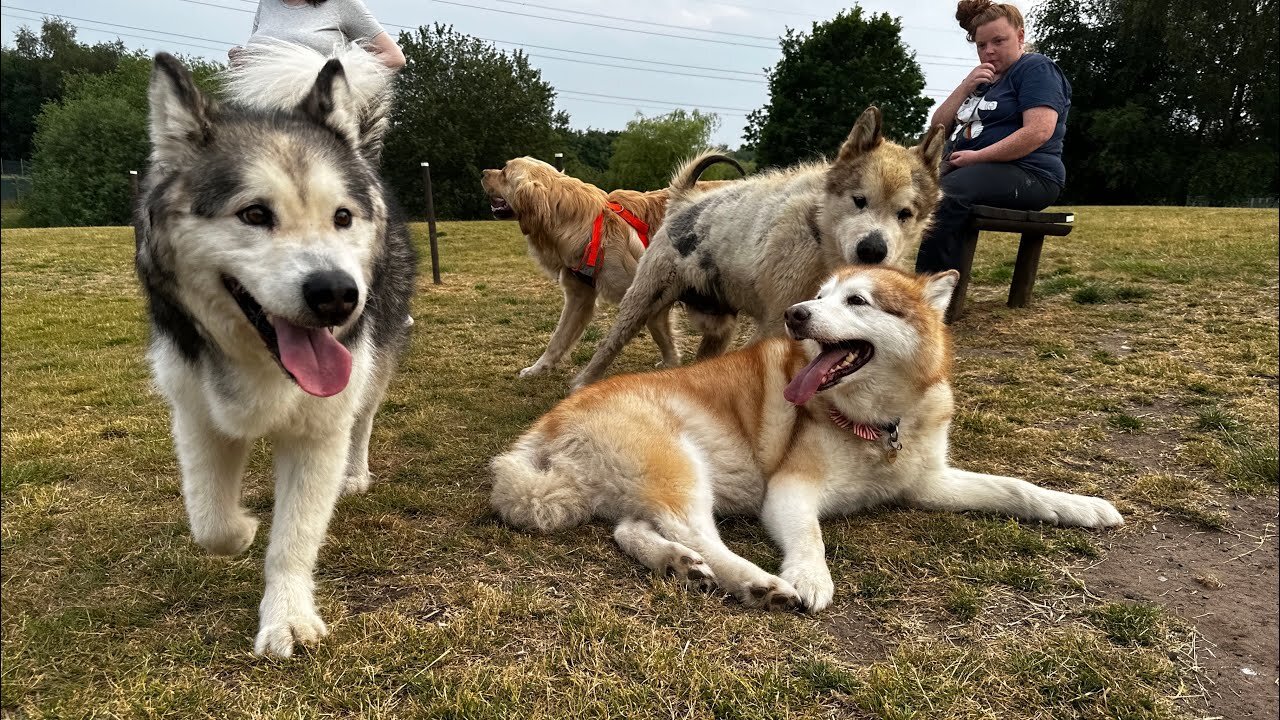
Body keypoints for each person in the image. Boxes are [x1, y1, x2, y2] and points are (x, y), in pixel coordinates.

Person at [915, 0, 1071, 277]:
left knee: (947, 195)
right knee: (895, 188)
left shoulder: (1036, 68)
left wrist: (978, 157)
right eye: (981, 45)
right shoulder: (982, 79)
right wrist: (964, 87)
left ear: (1020, 36)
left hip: (1031, 174)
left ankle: (930, 297)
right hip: (970, 168)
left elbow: (1038, 131)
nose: (989, 51)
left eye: (998, 41)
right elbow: (938, 127)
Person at [229, 0, 406, 70]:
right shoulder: (267, 3)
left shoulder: (343, 4)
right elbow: (265, 52)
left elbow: (393, 57)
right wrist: (244, 61)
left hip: (316, 119)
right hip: (258, 115)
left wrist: (328, 76)